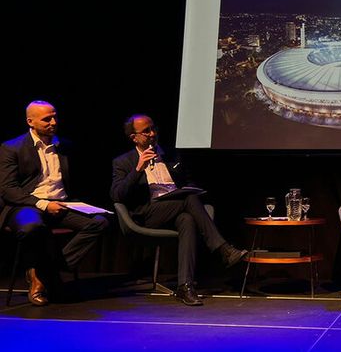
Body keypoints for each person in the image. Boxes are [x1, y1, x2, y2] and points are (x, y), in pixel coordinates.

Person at [110, 114, 247, 306]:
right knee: (189, 199)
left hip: (176, 206)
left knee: (187, 220)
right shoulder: (123, 162)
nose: (152, 134)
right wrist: (138, 169)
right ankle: (223, 249)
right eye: (146, 131)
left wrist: (190, 188)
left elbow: (186, 180)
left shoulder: (171, 155)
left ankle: (185, 286)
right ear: (134, 137)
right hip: (149, 212)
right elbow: (117, 195)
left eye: (153, 128)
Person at [0, 101, 110, 306]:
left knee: (100, 221)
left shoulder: (65, 146)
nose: (53, 122)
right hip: (27, 204)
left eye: (55, 117)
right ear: (30, 121)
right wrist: (42, 204)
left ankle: (45, 270)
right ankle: (41, 280)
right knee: (32, 227)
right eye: (46, 119)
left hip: (61, 204)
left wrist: (77, 203)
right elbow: (8, 189)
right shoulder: (11, 147)